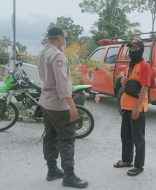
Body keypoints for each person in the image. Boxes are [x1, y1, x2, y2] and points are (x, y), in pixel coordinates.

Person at [37, 26, 88, 189]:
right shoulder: (57, 55)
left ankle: (52, 170)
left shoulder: (42, 52)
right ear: (58, 38)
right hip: (59, 105)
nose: (65, 40)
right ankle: (69, 177)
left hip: (46, 102)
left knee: (50, 136)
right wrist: (72, 105)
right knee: (67, 139)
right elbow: (62, 84)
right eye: (64, 37)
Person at [113, 39, 153, 176]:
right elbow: (128, 83)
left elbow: (144, 89)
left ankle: (139, 166)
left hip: (137, 108)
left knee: (138, 139)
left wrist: (137, 109)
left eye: (134, 48)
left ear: (141, 50)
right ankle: (126, 160)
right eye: (130, 48)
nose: (131, 50)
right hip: (126, 106)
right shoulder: (130, 65)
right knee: (126, 136)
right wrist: (122, 80)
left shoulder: (145, 66)